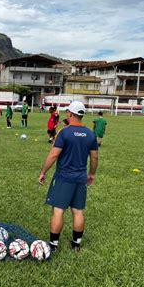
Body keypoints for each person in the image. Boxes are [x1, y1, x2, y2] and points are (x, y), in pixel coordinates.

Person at [38, 101, 98, 252]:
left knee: (58, 210)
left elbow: (53, 155)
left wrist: (43, 172)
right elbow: (95, 157)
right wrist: (91, 174)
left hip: (64, 178)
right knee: (78, 211)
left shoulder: (64, 132)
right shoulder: (90, 134)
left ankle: (53, 245)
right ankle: (76, 244)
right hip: (80, 178)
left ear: (70, 114)